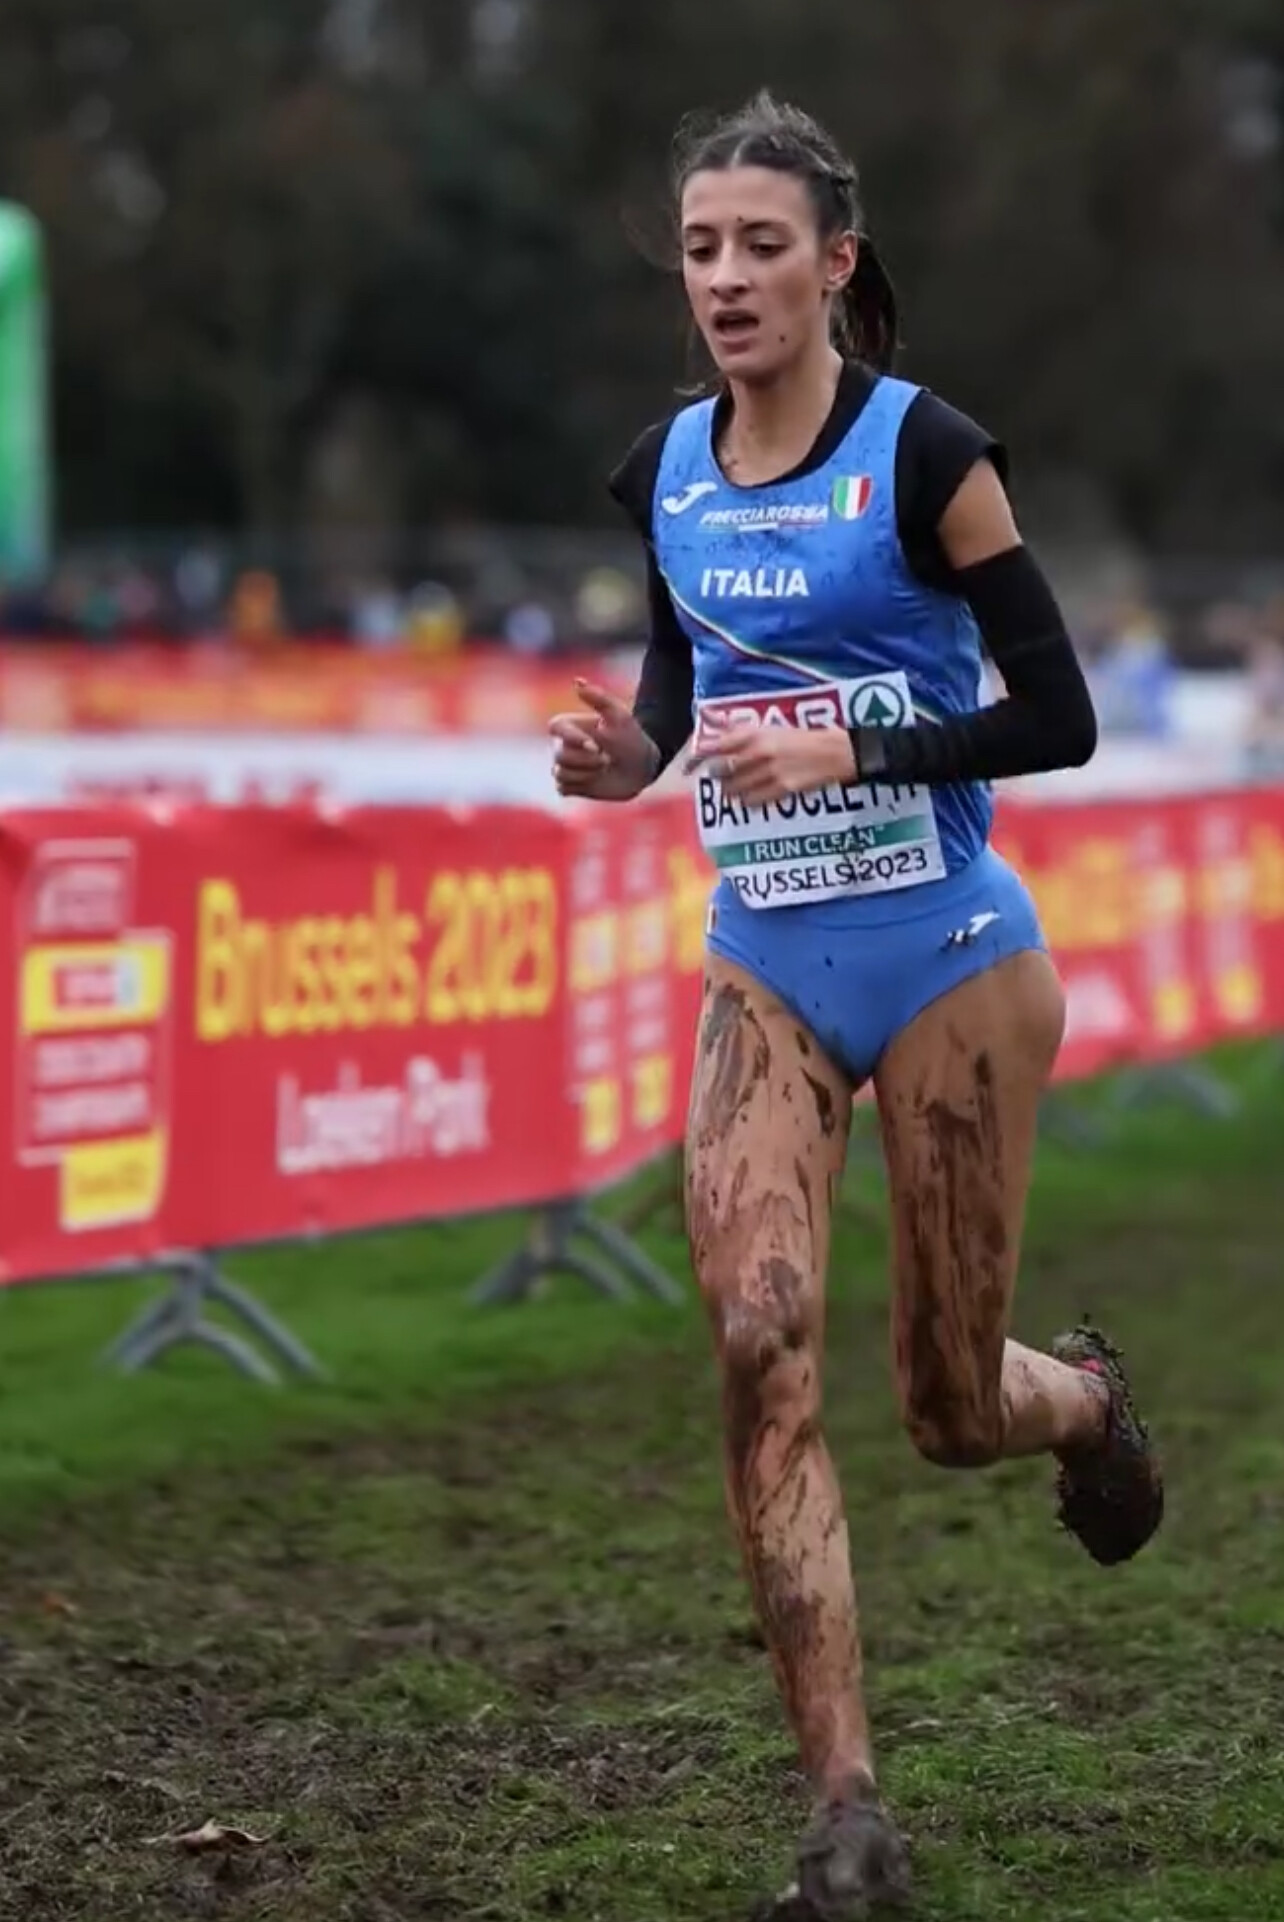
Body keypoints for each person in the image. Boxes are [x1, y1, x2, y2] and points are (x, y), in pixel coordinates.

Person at [549, 90, 1163, 1922]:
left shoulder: (925, 454)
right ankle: (845, 1815)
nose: (725, 277)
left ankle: (1084, 1400)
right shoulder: (666, 468)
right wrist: (631, 755)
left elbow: (1061, 717)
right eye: (699, 248)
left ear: (834, 263)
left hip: (955, 954)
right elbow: (683, 683)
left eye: (760, 244)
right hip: (769, 964)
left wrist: (857, 745)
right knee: (756, 1337)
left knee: (949, 1410)